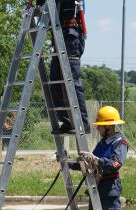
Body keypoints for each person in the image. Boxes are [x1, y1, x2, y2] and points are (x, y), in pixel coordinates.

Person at [46, 0, 90, 135]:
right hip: (59, 37)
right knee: (55, 82)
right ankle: (67, 121)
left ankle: (82, 123)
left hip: (71, 38)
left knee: (72, 82)